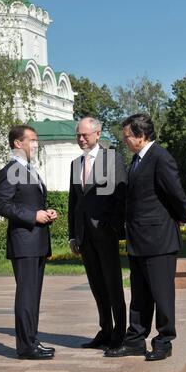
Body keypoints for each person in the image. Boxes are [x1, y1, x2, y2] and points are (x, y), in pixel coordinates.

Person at [104, 113, 186, 361]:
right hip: (138, 240)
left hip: (159, 240)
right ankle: (135, 340)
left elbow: (175, 193)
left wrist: (181, 215)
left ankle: (164, 341)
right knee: (140, 295)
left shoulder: (160, 158)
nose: (125, 141)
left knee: (162, 295)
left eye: (127, 137)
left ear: (141, 136)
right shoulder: (137, 159)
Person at [0, 125, 58, 360]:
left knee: (33, 296)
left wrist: (45, 212)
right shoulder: (11, 170)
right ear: (17, 144)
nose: (36, 144)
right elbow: (3, 205)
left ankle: (32, 341)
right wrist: (33, 216)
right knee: (27, 295)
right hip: (24, 243)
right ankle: (25, 346)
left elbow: (28, 201)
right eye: (32, 140)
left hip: (37, 241)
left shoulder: (28, 169)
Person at [68, 117, 127, 349]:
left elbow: (121, 196)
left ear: (98, 133)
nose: (81, 139)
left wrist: (113, 226)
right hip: (84, 237)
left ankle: (119, 334)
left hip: (106, 234)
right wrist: (73, 235)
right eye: (78, 136)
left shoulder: (112, 159)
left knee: (113, 285)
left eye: (85, 135)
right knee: (96, 286)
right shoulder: (75, 164)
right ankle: (105, 330)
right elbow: (74, 203)